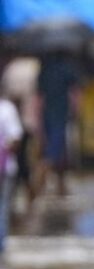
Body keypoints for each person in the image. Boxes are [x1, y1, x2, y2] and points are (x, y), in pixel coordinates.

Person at [34, 50, 81, 198]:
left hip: (47, 115)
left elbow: (39, 98)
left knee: (59, 152)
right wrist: (76, 111)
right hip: (61, 115)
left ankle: (60, 187)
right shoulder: (68, 70)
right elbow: (75, 93)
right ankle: (35, 188)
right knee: (53, 154)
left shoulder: (44, 71)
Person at [1, 55, 41, 215]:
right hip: (27, 123)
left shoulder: (10, 70)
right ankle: (29, 197)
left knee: (21, 163)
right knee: (24, 162)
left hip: (17, 125)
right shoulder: (35, 68)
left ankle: (24, 197)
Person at [0, 88, 24, 255]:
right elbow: (16, 139)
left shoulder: (7, 109)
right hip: (5, 168)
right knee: (3, 207)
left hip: (5, 167)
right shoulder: (7, 109)